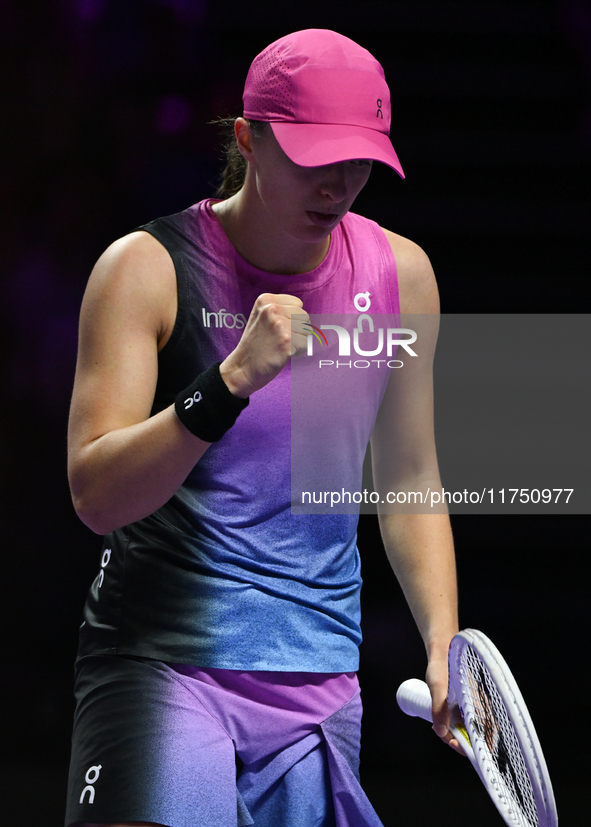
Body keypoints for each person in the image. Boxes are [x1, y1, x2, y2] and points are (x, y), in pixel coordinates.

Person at [65, 29, 459, 827]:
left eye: (359, 161)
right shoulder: (146, 270)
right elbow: (96, 496)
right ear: (248, 139)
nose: (340, 183)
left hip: (315, 678)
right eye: (315, 157)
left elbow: (408, 475)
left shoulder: (400, 277)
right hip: (162, 659)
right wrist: (229, 382)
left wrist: (444, 638)